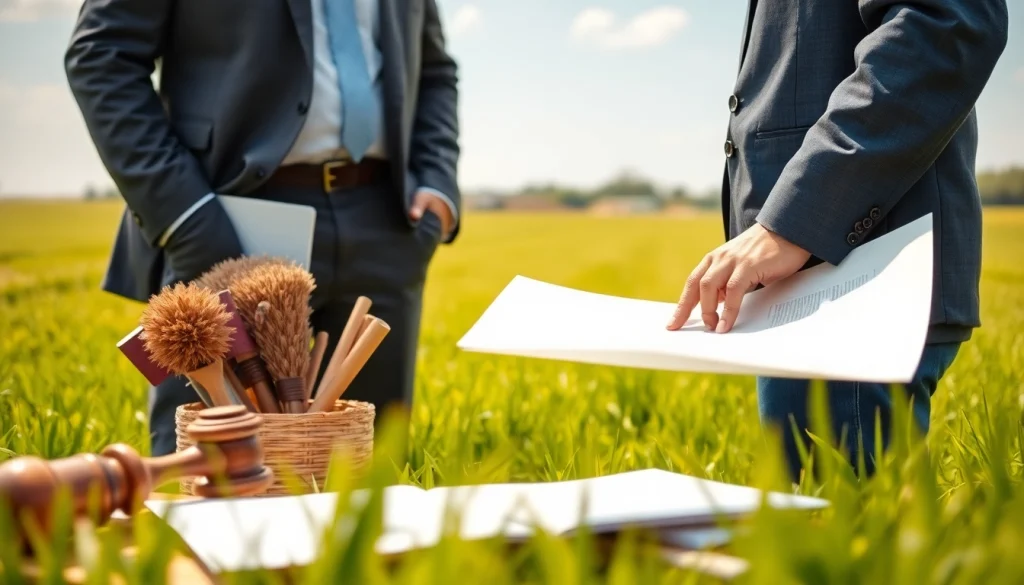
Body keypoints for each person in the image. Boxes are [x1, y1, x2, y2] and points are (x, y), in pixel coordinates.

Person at [64, 0, 461, 456]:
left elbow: (434, 70)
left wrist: (438, 185)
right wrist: (187, 217)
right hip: (226, 219)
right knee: (208, 482)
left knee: (371, 481)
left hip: (388, 221)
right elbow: (101, 54)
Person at [666, 0, 1009, 481]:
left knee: (843, 534)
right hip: (810, 284)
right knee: (820, 523)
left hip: (858, 271)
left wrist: (792, 221)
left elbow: (946, 25)